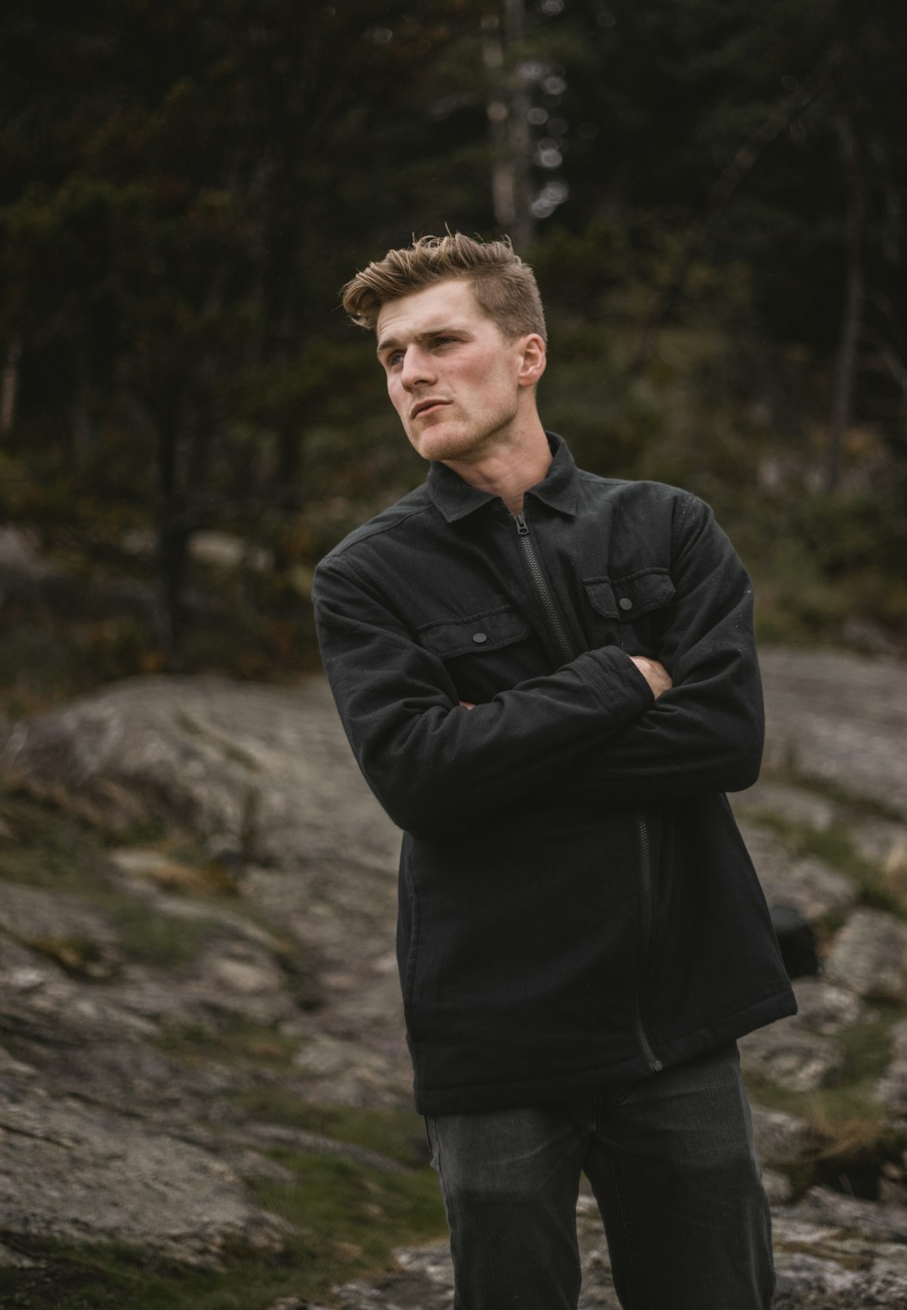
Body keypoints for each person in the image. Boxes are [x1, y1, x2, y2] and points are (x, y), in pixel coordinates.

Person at [312, 233, 795, 1310]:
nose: (411, 374)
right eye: (391, 357)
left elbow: (724, 740)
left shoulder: (666, 526)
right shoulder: (366, 574)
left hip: (676, 1012)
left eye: (440, 341)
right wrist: (619, 680)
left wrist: (495, 739)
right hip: (494, 1026)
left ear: (526, 354)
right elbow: (419, 779)